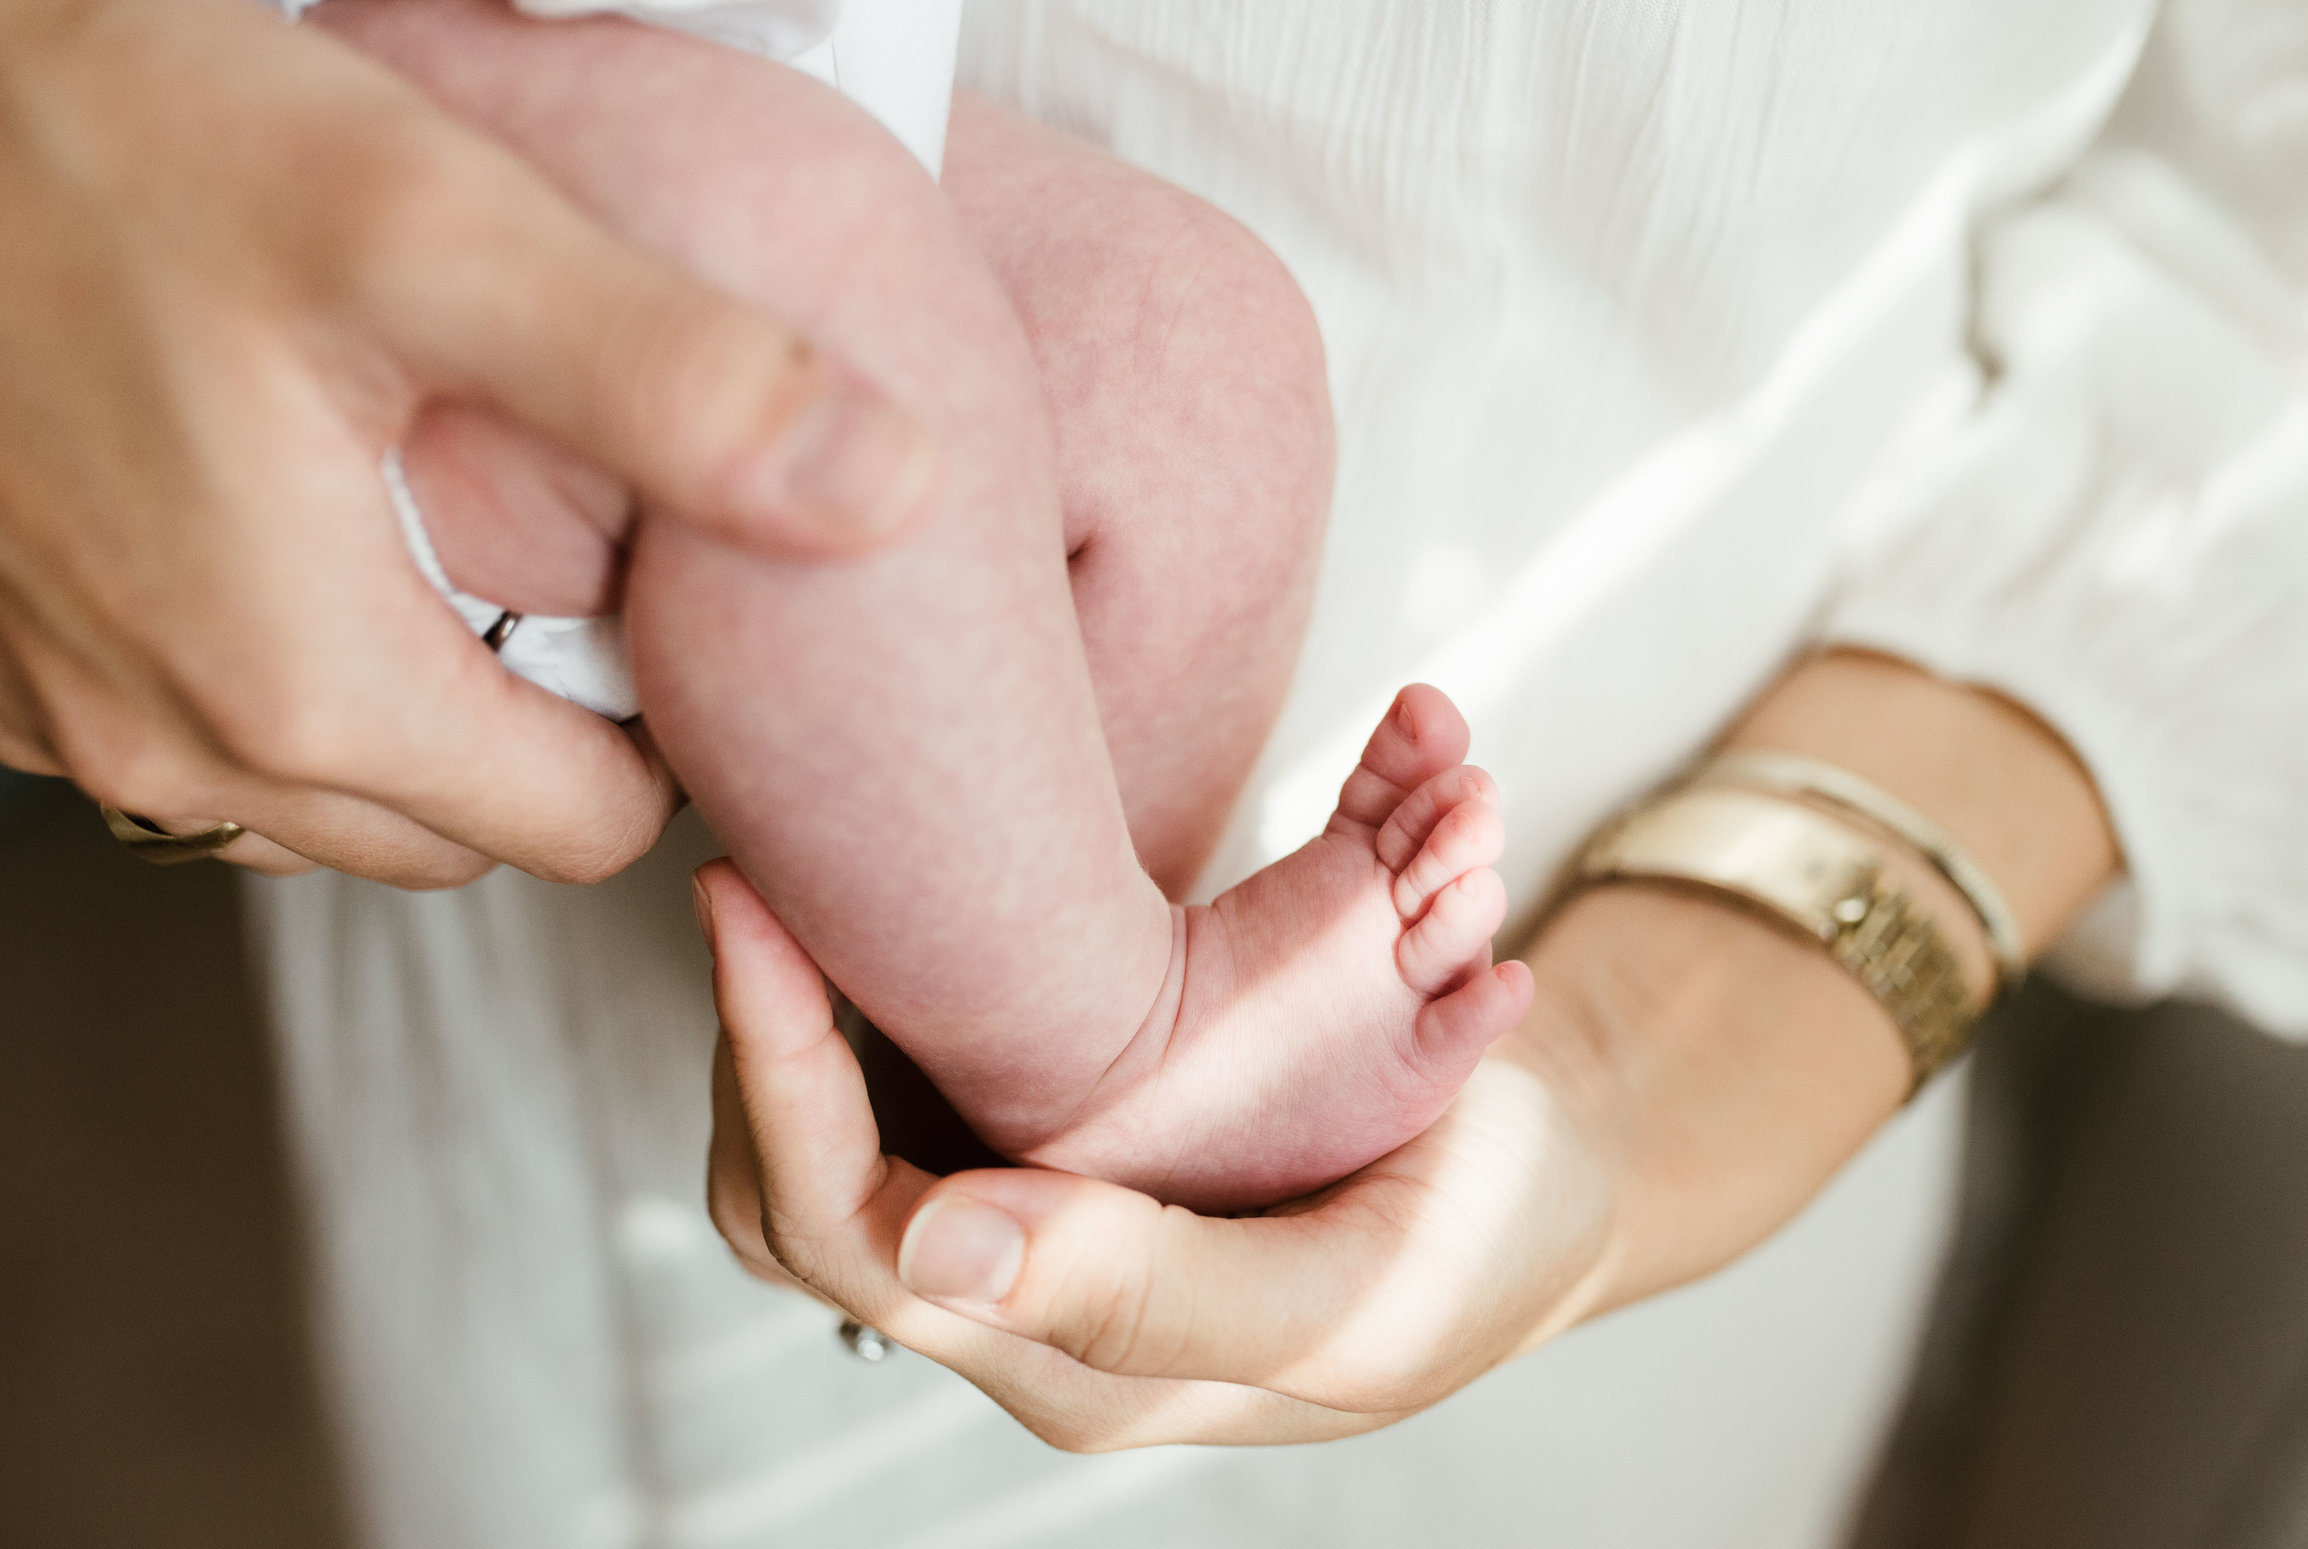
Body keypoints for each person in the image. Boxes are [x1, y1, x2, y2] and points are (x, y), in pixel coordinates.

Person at [7, 1, 2308, 1549]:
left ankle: (1095, 992)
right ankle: (1093, 1024)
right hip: (431, 163)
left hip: (1626, 1151)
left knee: (1175, 370)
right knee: (812, 348)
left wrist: (1662, 1075)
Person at [319, 0, 1529, 1212]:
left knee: (1187, 367)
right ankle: (1108, 1054)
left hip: (758, 73)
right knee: (831, 366)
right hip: (363, 147)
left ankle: (1003, 1009)